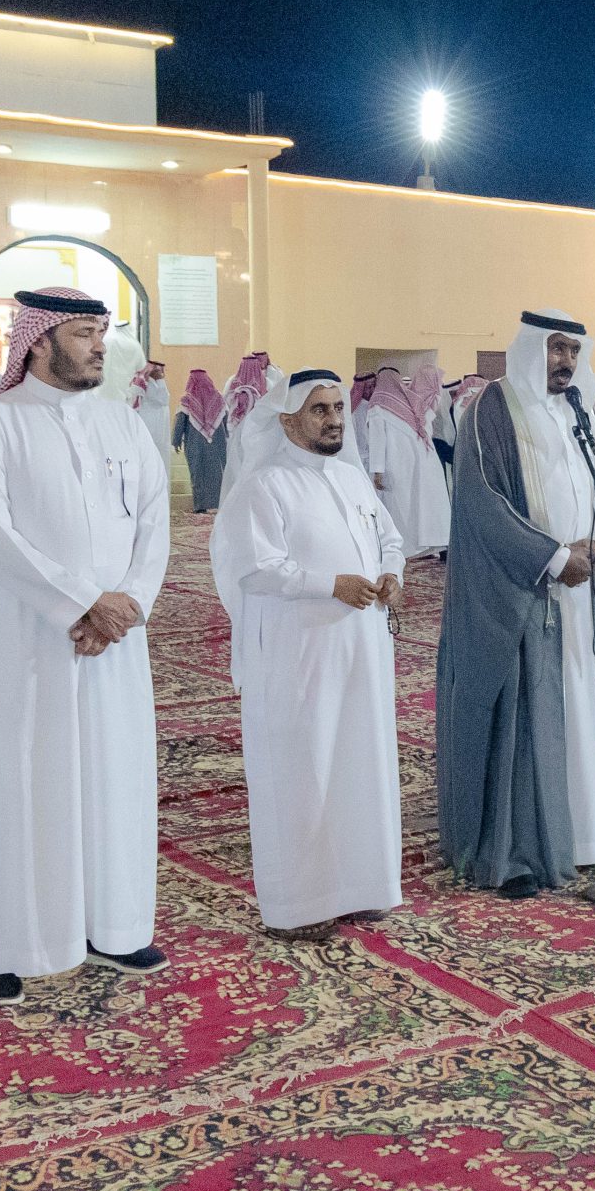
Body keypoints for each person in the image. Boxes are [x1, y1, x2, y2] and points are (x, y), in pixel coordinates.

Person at [0, 287, 172, 1007]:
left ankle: (116, 926)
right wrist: (82, 602)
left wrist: (128, 602)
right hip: (28, 638)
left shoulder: (122, 422)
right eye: (83, 333)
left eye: (101, 332)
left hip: (115, 641)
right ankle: (10, 946)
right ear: (39, 341)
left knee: (115, 776)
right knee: (22, 779)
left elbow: (154, 521)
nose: (99, 346)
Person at [212, 369, 405, 939]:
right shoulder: (264, 486)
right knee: (301, 769)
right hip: (296, 654)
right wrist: (330, 585)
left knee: (361, 762)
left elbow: (389, 539)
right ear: (288, 419)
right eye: (319, 410)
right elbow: (255, 569)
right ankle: (298, 904)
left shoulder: (351, 480)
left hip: (361, 650)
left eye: (338, 409)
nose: (334, 420)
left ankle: (365, 886)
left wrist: (391, 574)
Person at [437, 309, 595, 894]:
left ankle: (587, 838)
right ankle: (521, 848)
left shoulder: (579, 410)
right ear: (531, 349)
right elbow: (481, 501)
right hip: (528, 593)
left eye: (573, 351)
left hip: (582, 591)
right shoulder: (491, 410)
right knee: (532, 718)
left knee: (581, 710)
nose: (565, 361)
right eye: (556, 348)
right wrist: (552, 557)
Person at [364, 357, 452, 557]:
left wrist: (377, 470)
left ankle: (403, 548)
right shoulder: (410, 402)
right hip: (421, 462)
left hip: (396, 463)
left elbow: (378, 439)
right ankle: (420, 544)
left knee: (400, 507)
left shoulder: (378, 403)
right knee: (416, 506)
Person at [173, 369, 230, 513]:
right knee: (217, 472)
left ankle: (200, 506)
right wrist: (227, 437)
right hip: (217, 442)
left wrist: (176, 440)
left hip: (195, 443)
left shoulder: (187, 400)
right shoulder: (218, 398)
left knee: (197, 472)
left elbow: (180, 422)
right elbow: (226, 420)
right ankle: (217, 504)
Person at [224, 350, 277, 477]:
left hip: (237, 431)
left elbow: (226, 403)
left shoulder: (232, 382)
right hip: (258, 431)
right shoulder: (267, 383)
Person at [133, 359, 174, 474]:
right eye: (158, 370)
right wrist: (160, 380)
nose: (161, 373)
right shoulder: (148, 383)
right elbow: (162, 398)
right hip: (150, 430)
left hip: (159, 432)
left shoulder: (156, 384)